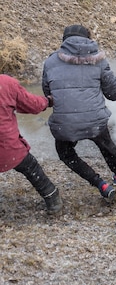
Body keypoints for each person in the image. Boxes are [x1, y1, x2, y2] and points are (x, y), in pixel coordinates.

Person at [42, 25, 116, 202]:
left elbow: (47, 93)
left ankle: (99, 183)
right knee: (105, 142)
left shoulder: (50, 62)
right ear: (89, 39)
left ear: (64, 41)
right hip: (94, 121)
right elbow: (115, 94)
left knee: (65, 153)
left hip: (65, 123)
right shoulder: (99, 60)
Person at [0, 74, 63, 216]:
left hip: (7, 148)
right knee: (30, 167)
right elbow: (32, 105)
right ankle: (53, 200)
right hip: (8, 149)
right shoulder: (5, 83)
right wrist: (47, 101)